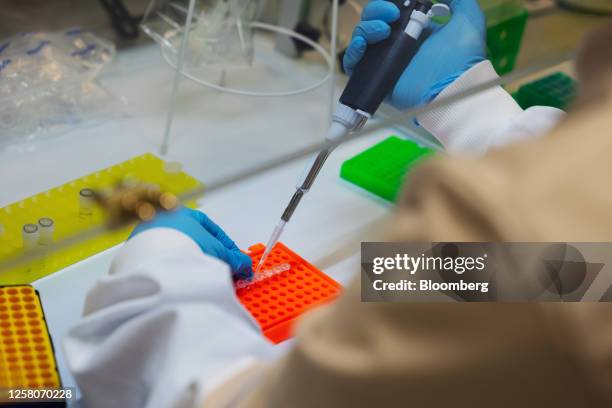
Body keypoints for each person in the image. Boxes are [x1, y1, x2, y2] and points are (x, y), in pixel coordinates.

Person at [63, 1, 612, 407]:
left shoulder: (515, 226)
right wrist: (470, 108)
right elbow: (577, 270)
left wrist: (157, 276)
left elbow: (239, 398)